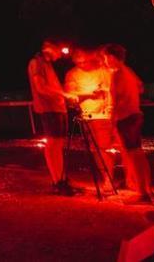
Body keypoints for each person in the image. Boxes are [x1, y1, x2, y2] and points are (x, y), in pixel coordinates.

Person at [103, 43, 153, 203]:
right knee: (138, 153)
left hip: (126, 117)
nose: (105, 61)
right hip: (136, 114)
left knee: (133, 154)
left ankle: (142, 193)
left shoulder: (117, 74)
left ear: (111, 57)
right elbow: (140, 87)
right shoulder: (129, 72)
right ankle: (147, 189)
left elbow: (116, 100)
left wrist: (111, 120)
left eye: (105, 58)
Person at [27, 40, 77, 195]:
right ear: (49, 47)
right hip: (49, 109)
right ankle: (57, 181)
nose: (60, 54)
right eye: (58, 50)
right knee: (53, 144)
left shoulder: (46, 64)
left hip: (58, 109)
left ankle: (61, 179)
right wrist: (63, 94)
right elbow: (40, 87)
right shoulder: (36, 63)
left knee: (58, 144)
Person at [64, 47, 117, 193]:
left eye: (85, 61)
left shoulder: (102, 70)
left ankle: (110, 178)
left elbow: (112, 89)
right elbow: (69, 96)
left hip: (104, 115)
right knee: (95, 150)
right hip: (87, 115)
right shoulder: (72, 74)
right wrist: (89, 94)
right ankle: (105, 177)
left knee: (105, 148)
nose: (82, 64)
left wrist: (109, 106)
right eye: (79, 62)